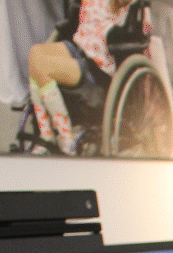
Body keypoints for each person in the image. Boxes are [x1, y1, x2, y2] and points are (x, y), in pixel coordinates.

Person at [27, 0, 129, 155]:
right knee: (35, 54)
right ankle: (46, 134)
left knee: (43, 66)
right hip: (79, 47)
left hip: (97, 65)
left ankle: (67, 138)